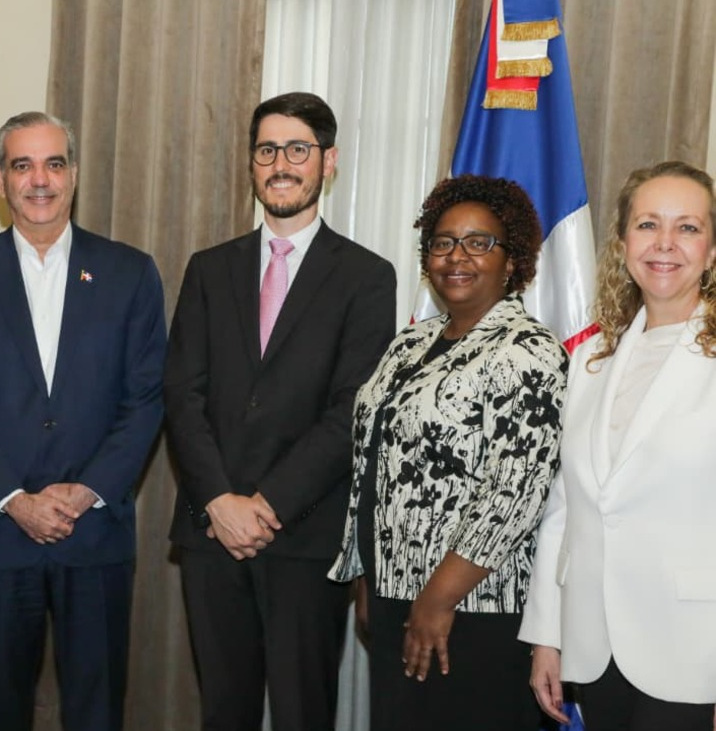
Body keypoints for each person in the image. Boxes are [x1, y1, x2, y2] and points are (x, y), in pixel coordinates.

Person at [163, 91, 395, 731]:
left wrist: (265, 506)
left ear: (328, 161)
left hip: (305, 536)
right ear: (251, 163)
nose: (281, 165)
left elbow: (353, 410)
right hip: (212, 534)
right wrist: (220, 501)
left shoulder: (367, 277)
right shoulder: (209, 269)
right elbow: (182, 395)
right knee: (223, 712)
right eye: (267, 151)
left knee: (302, 713)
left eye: (298, 149)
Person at [0, 111, 165, 731]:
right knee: (1, 709)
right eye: (22, 165)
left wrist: (84, 493)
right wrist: (15, 500)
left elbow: (145, 400)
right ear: (0, 180)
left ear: (74, 175)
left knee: (96, 710)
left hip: (95, 534)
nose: (40, 180)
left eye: (54, 164)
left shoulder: (130, 272)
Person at [327, 175, 567, 730]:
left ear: (512, 261)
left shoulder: (528, 351)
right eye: (442, 242)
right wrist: (368, 576)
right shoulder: (411, 342)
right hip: (395, 593)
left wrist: (436, 600)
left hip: (474, 608)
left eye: (479, 242)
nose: (457, 256)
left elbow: (513, 495)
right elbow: (373, 463)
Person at [522, 161, 716, 730]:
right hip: (594, 646)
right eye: (647, 224)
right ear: (624, 243)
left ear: (711, 252)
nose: (664, 243)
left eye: (687, 228)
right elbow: (565, 509)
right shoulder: (591, 358)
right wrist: (547, 636)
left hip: (694, 651)